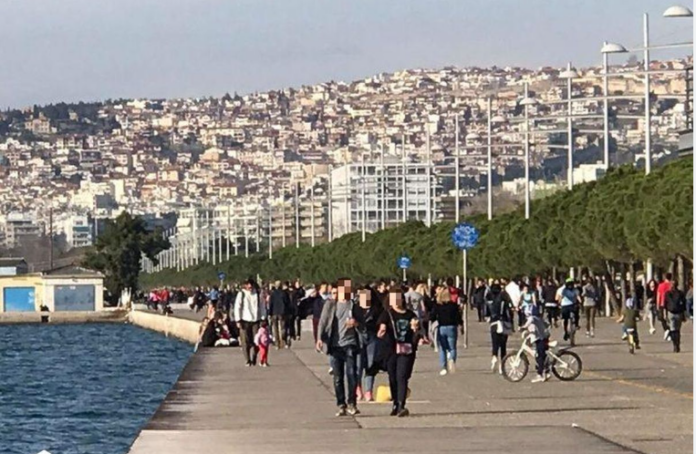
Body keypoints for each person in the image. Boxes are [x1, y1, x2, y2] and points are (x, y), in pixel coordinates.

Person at [316, 278, 363, 417]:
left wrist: (356, 323)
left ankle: (352, 403)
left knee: (351, 375)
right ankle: (341, 404)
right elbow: (323, 322)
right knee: (338, 377)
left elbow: (363, 324)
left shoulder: (353, 305)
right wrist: (319, 338)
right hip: (335, 345)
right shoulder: (331, 304)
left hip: (350, 344)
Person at [377, 288, 421, 417]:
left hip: (406, 350)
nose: (396, 301)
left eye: (398, 298)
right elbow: (381, 325)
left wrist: (415, 328)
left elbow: (418, 330)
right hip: (391, 350)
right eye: (393, 298)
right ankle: (396, 403)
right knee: (393, 377)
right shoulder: (387, 314)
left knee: (402, 376)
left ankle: (402, 405)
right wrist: (382, 330)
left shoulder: (410, 315)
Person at [355, 287, 382, 402]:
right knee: (358, 364)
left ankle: (368, 391)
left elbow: (380, 322)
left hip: (372, 338)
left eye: (367, 296)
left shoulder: (376, 309)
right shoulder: (355, 309)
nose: (365, 298)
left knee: (370, 364)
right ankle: (357, 388)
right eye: (363, 296)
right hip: (358, 338)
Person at [430, 286, 463, 375]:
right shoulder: (453, 305)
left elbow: (432, 316)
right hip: (452, 327)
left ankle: (443, 367)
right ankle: (452, 359)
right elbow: (458, 317)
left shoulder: (437, 306)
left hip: (441, 327)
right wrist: (461, 325)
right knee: (452, 347)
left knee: (442, 348)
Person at [234, 279, 267, 366]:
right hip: (244, 320)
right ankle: (247, 359)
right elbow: (237, 307)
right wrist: (238, 320)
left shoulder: (258, 293)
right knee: (245, 341)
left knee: (257, 340)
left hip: (256, 320)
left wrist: (263, 318)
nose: (249, 286)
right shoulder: (241, 294)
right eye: (247, 284)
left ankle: (254, 356)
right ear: (244, 285)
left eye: (251, 284)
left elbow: (262, 306)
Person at [485, 280, 513, 374]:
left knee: (495, 344)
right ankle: (502, 365)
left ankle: (494, 357)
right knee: (503, 345)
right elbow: (509, 311)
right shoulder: (504, 298)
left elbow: (486, 313)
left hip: (494, 323)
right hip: (503, 322)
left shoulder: (489, 299)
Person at [522, 304, 550, 383]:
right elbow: (546, 325)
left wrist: (523, 327)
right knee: (542, 356)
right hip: (543, 338)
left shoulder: (532, 318)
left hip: (540, 339)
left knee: (539, 356)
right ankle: (546, 372)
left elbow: (530, 321)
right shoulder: (538, 318)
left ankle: (539, 374)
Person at [665, 278, 686, 353]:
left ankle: (674, 344)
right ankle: (677, 344)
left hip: (671, 313)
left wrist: (665, 314)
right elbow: (684, 304)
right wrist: (683, 315)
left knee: (672, 329)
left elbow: (665, 304)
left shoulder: (667, 293)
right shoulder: (681, 293)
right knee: (678, 330)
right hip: (679, 313)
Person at [269, 281, 291, 349]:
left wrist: (269, 313)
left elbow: (270, 304)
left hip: (274, 312)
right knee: (283, 327)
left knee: (275, 329)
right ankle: (284, 340)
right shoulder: (284, 293)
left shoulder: (272, 294)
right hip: (283, 312)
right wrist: (289, 312)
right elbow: (288, 303)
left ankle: (277, 344)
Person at [656, 273, 673, 341]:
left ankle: (666, 329)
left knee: (662, 319)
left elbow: (658, 295)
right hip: (670, 304)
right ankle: (669, 332)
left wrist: (657, 304)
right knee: (670, 319)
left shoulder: (661, 285)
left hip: (662, 304)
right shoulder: (671, 285)